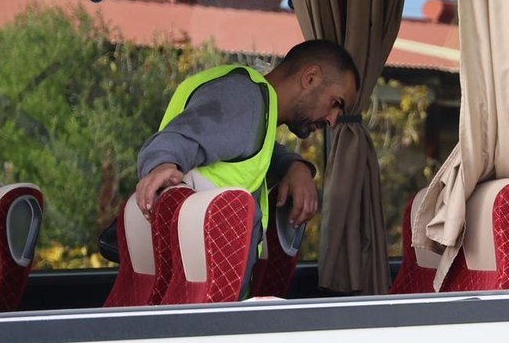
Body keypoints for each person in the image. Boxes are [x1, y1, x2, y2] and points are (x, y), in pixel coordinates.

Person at [133, 39, 360, 235]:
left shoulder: (256, 107)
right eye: (335, 103)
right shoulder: (243, 100)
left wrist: (294, 166)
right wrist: (162, 164)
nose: (332, 120)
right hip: (203, 280)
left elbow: (247, 150)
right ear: (310, 78)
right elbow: (181, 138)